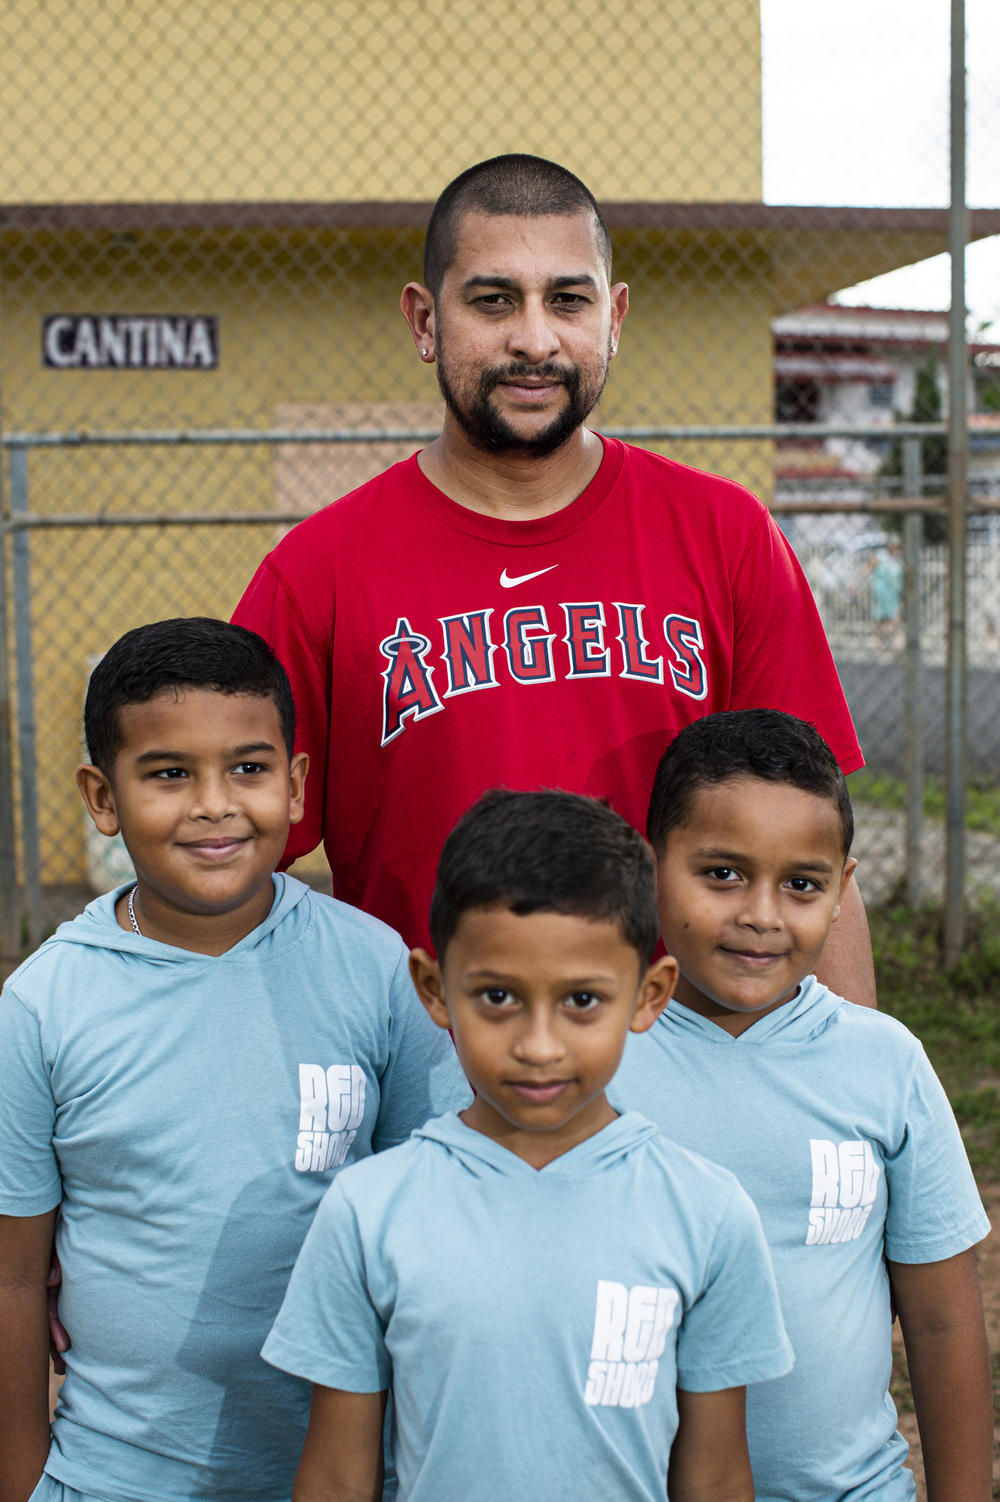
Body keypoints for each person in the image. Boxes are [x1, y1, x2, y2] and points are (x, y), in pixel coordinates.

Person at [232, 152, 876, 1006]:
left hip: (678, 1059)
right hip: (427, 1074)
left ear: (612, 319)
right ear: (425, 322)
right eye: (494, 301)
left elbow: (808, 838)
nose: (535, 340)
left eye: (566, 300)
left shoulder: (727, 538)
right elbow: (228, 865)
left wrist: (852, 1091)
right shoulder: (316, 574)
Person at [0, 618, 469, 1502]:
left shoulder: (374, 967)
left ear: (294, 787)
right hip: (114, 1476)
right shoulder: (42, 1005)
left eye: (247, 769)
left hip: (345, 1473)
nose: (214, 804)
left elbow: (441, 1206)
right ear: (102, 798)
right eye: (170, 774)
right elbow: (15, 1277)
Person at [262, 788, 794, 1502]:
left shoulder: (706, 1213)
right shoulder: (369, 1212)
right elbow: (334, 1479)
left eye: (581, 1001)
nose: (538, 1047)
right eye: (498, 998)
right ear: (434, 988)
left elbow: (717, 1477)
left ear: (648, 995)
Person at [612, 709, 992, 1501]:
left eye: (802, 884)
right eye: (721, 874)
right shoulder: (597, 1066)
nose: (761, 913)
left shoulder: (886, 1066)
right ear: (651, 866)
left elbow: (943, 1323)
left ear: (842, 890)